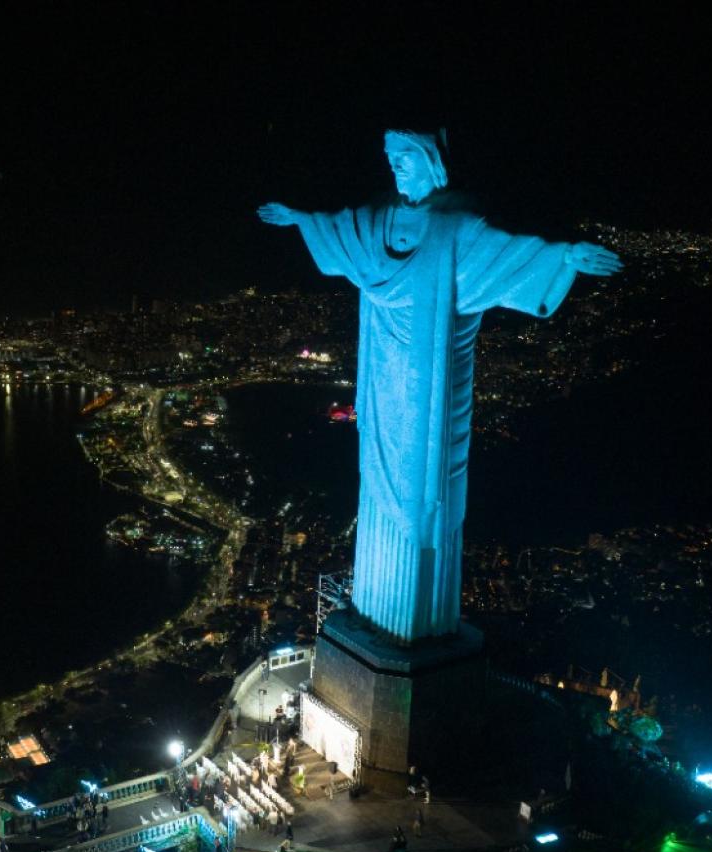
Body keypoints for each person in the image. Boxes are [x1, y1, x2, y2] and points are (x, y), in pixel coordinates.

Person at [259, 130, 620, 642]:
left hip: (429, 386)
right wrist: (299, 219)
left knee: (423, 489)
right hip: (384, 378)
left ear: (431, 162)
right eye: (390, 160)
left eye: (404, 159)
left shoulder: (456, 227)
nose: (396, 168)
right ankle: (380, 615)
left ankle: (418, 625)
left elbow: (509, 256)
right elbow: (340, 229)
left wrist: (565, 258)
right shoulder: (381, 216)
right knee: (378, 479)